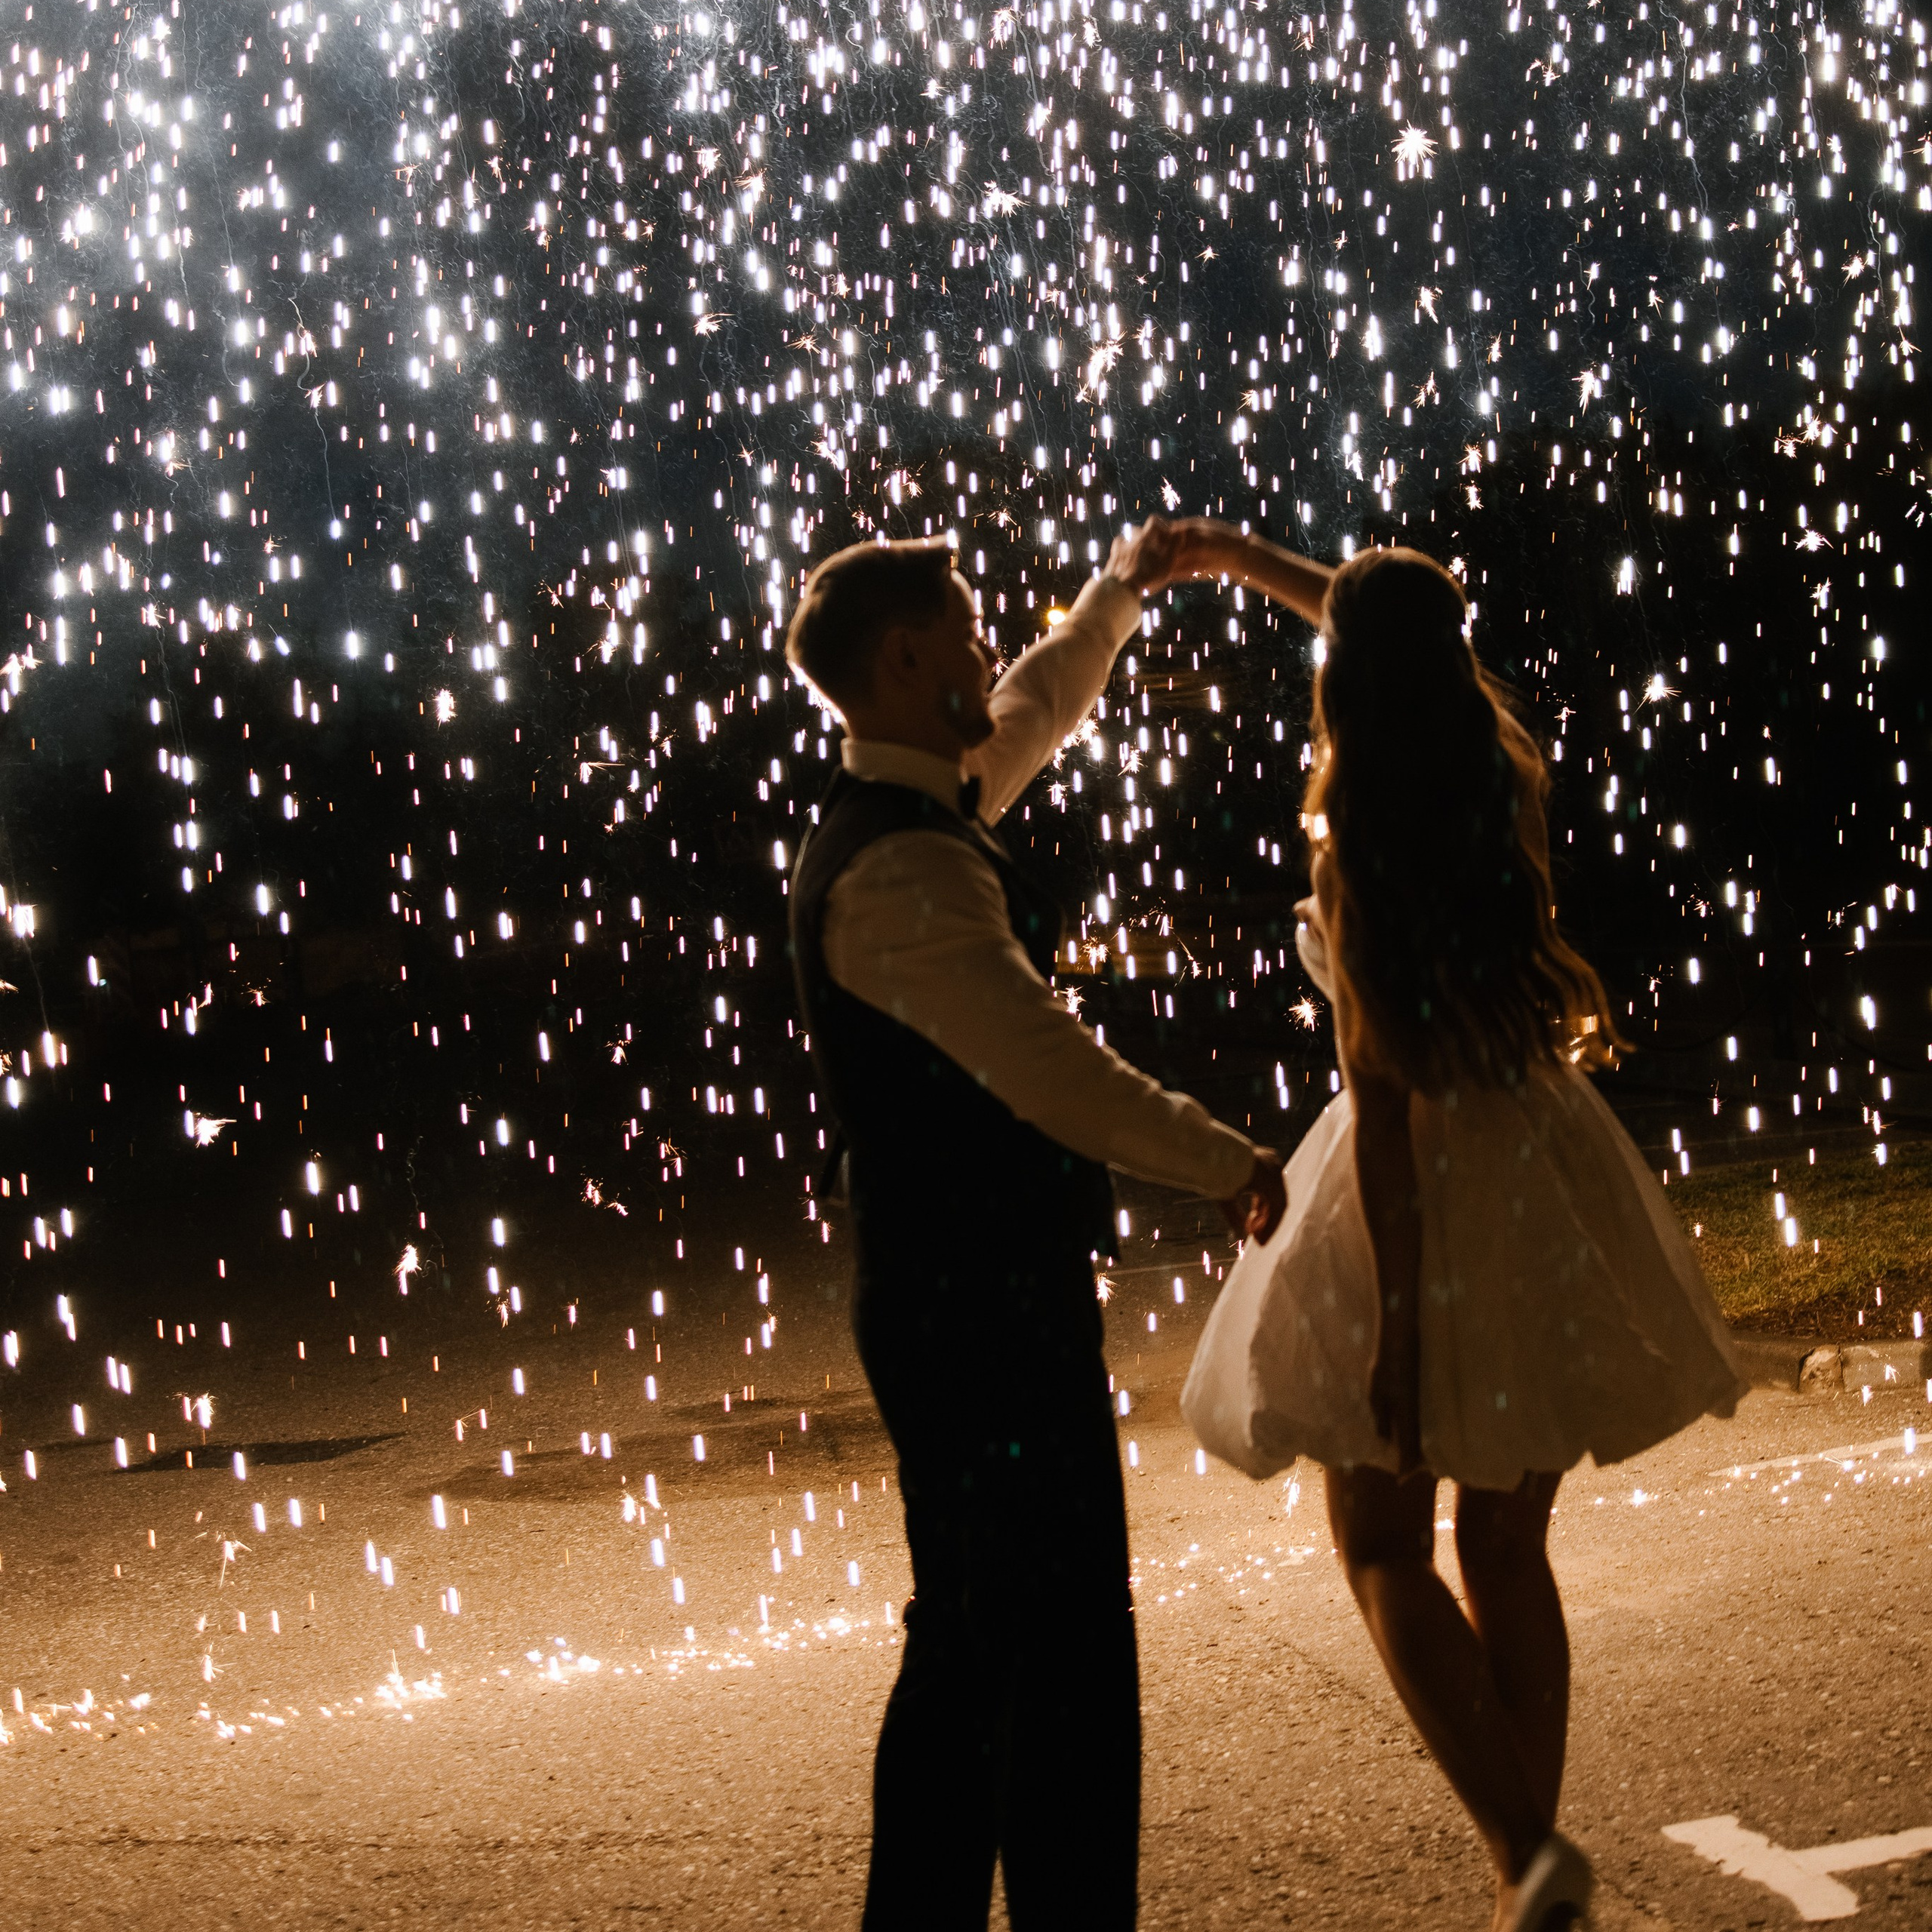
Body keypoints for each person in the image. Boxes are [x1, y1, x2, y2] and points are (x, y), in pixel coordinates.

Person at [1168, 521, 1748, 1932]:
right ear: (1452, 664)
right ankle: (1524, 1876)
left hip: (1419, 1183)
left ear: (1343, 684)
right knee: (1505, 1540)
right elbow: (1403, 637)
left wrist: (1402, 1335)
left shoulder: (1355, 847)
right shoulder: (1502, 774)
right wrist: (1244, 562)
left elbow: (1381, 1118)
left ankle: (1527, 1854)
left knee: (1381, 1540)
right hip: (1542, 1162)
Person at [784, 530, 1286, 1931]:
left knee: (972, 1645)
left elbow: (1034, 703)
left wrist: (1120, 594)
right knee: (1055, 1652)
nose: (984, 646)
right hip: (977, 1314)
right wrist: (1225, 1159)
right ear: (902, 660)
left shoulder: (916, 804)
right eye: (961, 629)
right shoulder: (902, 871)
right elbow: (1049, 1067)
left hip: (952, 1297)